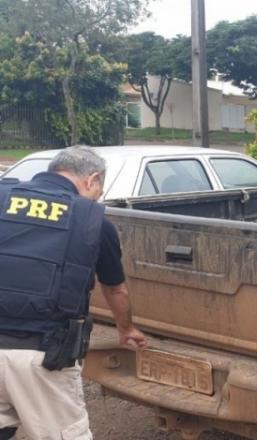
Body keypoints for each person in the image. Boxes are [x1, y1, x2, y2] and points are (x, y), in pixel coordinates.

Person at [0, 147, 148, 440]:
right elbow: (114, 287)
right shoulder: (92, 220)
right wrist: (126, 328)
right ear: (92, 180)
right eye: (100, 189)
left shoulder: (3, 197)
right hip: (43, 354)